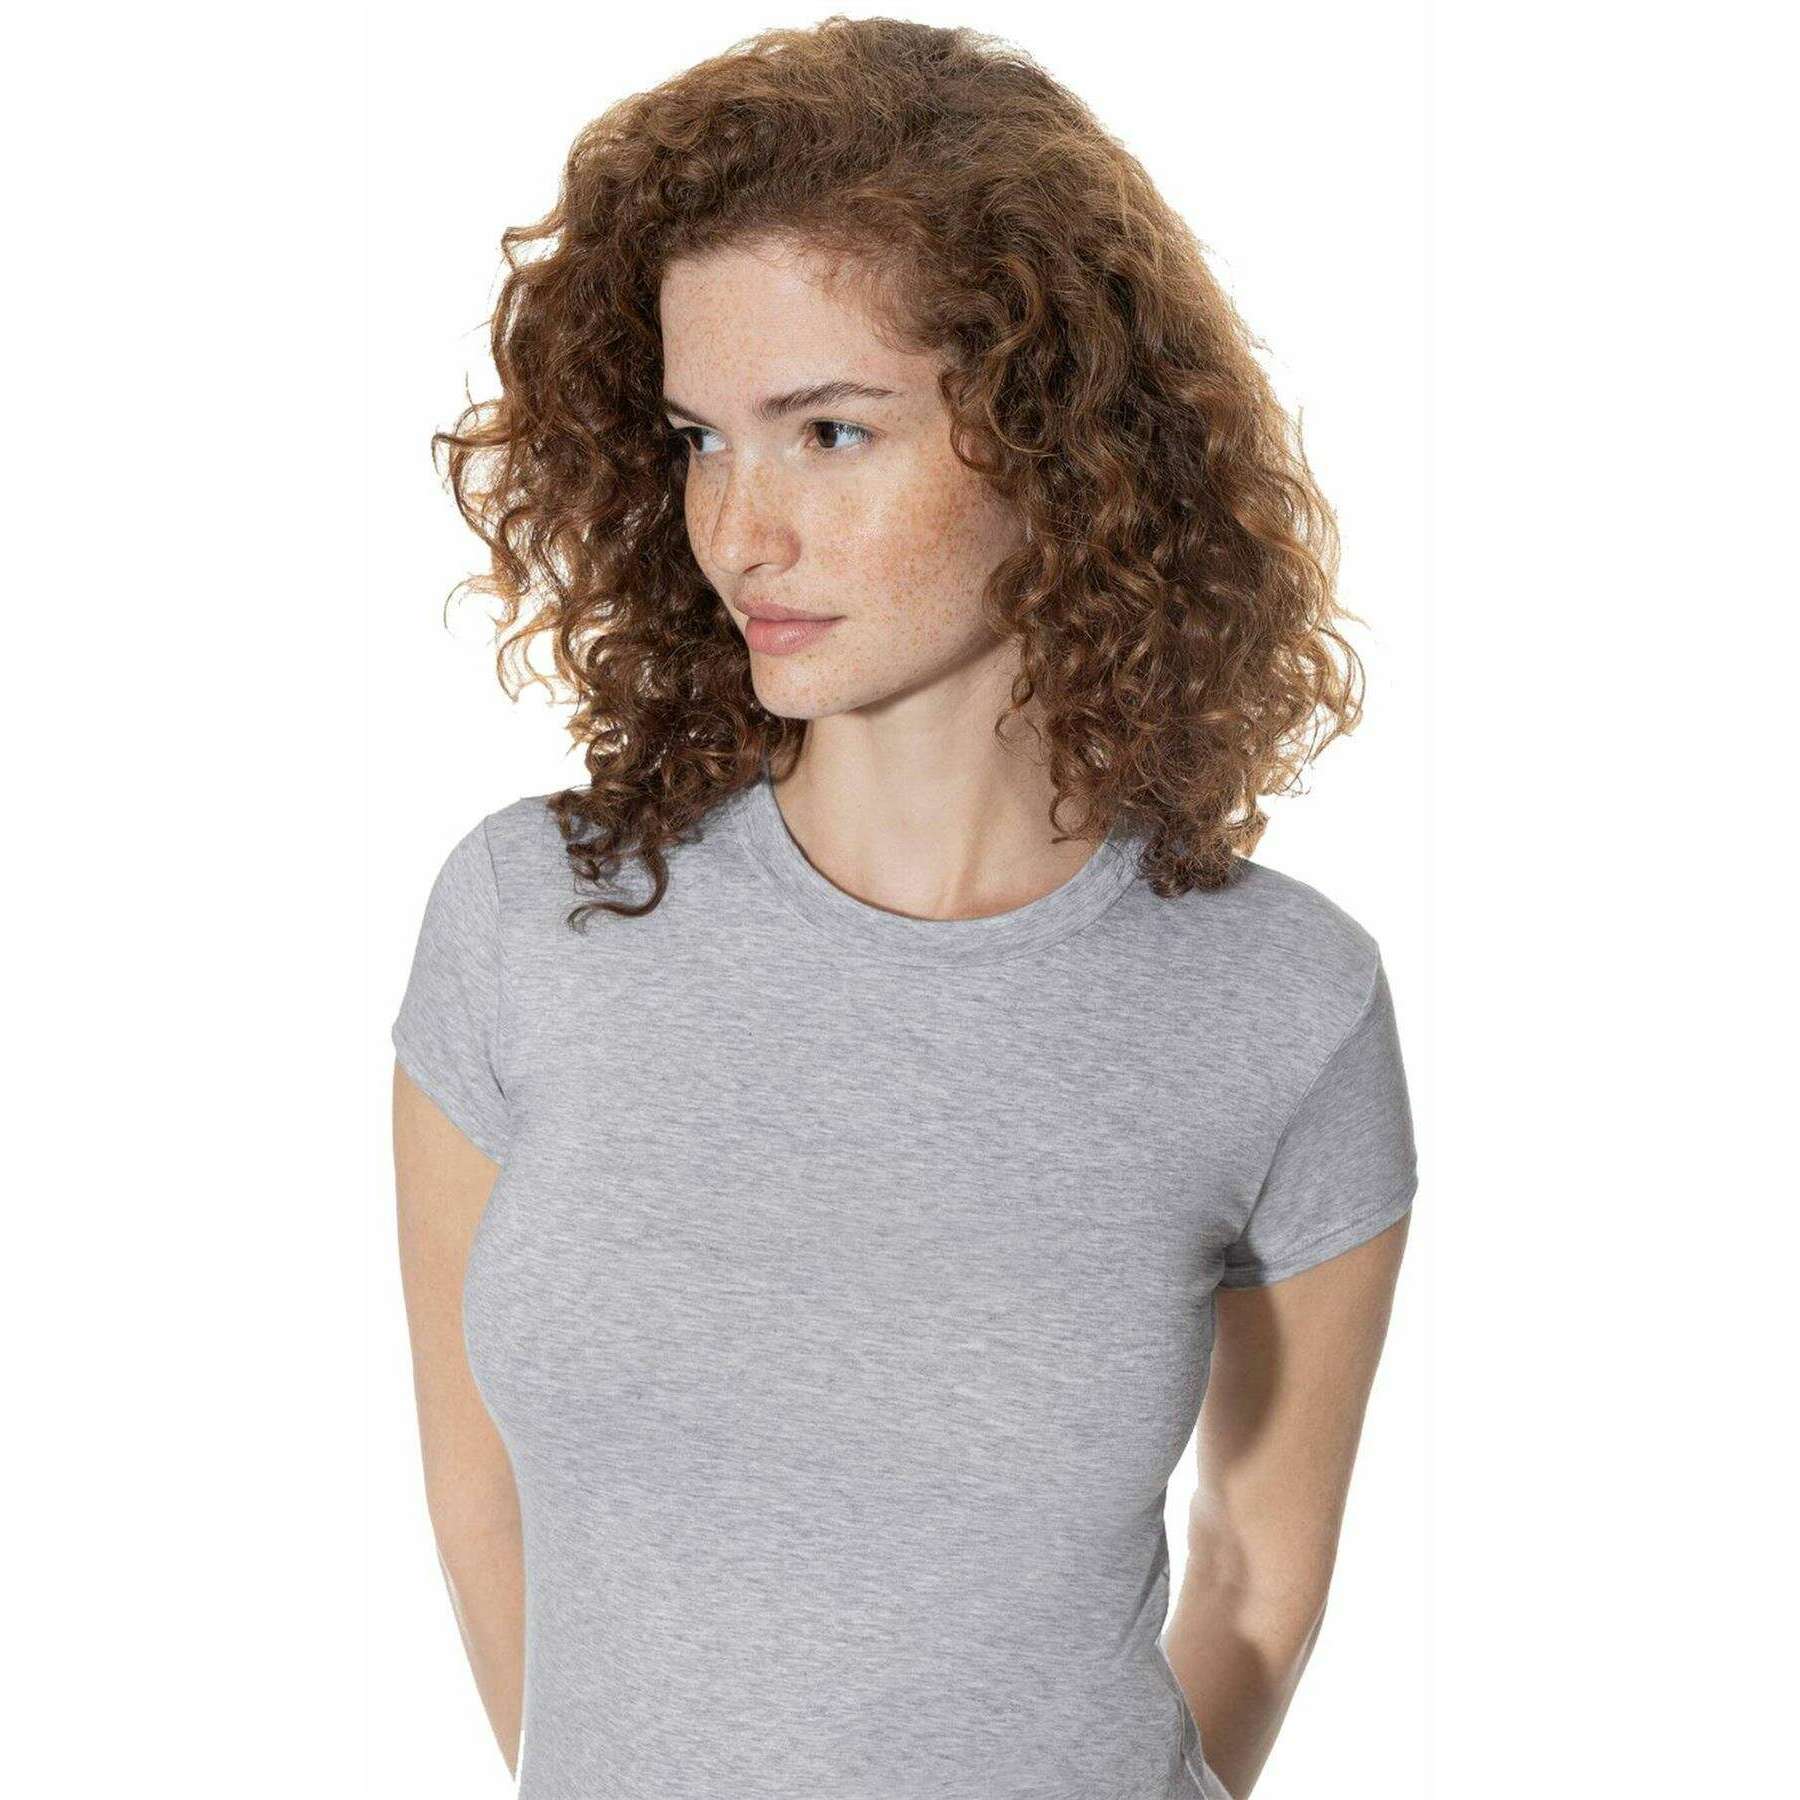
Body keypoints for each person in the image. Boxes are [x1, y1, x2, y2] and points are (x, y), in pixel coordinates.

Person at [389, 18, 1418, 1800]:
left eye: (831, 431)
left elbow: (1262, 1569)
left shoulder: (1282, 998)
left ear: (1057, 440)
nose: (741, 532)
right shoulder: (533, 920)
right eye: (701, 439)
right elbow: (483, 1493)